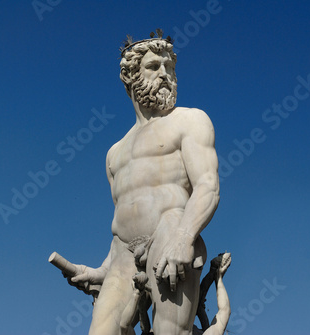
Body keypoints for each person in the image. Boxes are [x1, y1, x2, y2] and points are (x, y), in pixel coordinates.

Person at [66, 30, 220, 335]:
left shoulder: (190, 120)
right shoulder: (114, 153)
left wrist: (183, 238)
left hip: (171, 234)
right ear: (130, 76)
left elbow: (208, 186)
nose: (166, 74)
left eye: (170, 67)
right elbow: (123, 218)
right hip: (123, 255)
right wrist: (100, 270)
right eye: (154, 67)